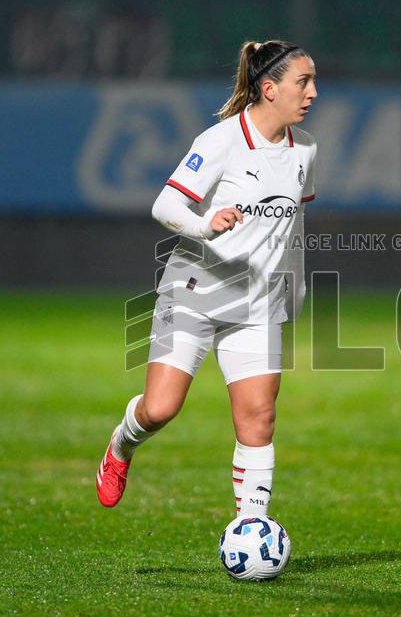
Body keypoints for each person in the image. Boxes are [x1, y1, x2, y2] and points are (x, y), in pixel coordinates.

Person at [96, 40, 318, 515]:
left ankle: (252, 526)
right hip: (195, 292)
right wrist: (204, 224)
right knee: (160, 409)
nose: (313, 92)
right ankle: (120, 445)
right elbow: (165, 205)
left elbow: (293, 224)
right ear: (269, 88)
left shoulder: (305, 150)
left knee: (259, 417)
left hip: (258, 302)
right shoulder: (220, 141)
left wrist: (294, 288)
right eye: (304, 81)